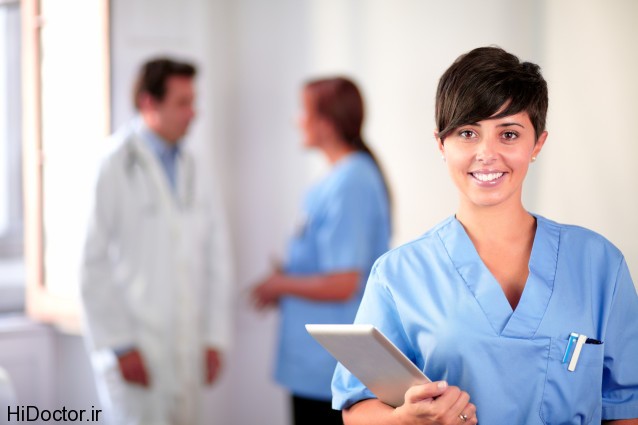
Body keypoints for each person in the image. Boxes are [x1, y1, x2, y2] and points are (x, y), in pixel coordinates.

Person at [332, 46, 638, 425]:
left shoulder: (599, 264)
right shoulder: (398, 275)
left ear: (537, 144)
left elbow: (626, 406)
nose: (486, 153)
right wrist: (406, 420)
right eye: (467, 132)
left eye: (509, 134)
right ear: (441, 145)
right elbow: (357, 407)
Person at [80, 57, 233, 425]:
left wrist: (214, 337)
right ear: (149, 102)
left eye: (193, 102)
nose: (193, 113)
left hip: (186, 345)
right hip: (136, 347)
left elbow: (217, 255)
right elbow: (91, 262)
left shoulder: (194, 165)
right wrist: (119, 344)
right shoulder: (114, 164)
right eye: (182, 102)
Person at [251, 77, 392, 425]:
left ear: (326, 123)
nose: (298, 121)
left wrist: (280, 285)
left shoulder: (351, 182)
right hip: (315, 365)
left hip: (328, 368)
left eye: (304, 112)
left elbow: (343, 282)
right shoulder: (338, 178)